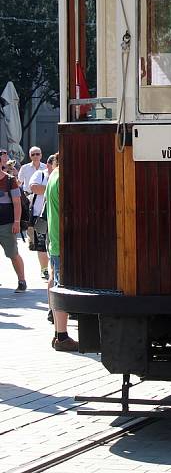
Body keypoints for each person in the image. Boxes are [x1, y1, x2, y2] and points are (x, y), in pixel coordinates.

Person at [46, 153, 78, 352]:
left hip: (55, 240)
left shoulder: (53, 177)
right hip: (61, 240)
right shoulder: (61, 179)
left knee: (56, 283)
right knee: (61, 289)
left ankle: (59, 334)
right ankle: (61, 336)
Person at [18, 147, 47, 278]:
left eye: (38, 154)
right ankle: (32, 239)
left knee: (37, 226)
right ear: (30, 156)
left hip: (40, 201)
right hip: (28, 198)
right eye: (33, 154)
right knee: (30, 223)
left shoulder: (46, 167)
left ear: (41, 155)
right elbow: (20, 182)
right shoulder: (25, 168)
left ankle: (34, 240)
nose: (36, 156)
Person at [0, 161, 27, 293]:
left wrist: (16, 222)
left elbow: (17, 203)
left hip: (7, 224)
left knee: (13, 254)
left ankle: (22, 281)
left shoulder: (10, 180)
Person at [28, 155, 54, 282]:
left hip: (55, 216)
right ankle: (44, 269)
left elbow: (39, 189)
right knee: (41, 244)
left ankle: (54, 269)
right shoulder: (41, 174)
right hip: (40, 216)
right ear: (49, 165)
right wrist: (51, 189)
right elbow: (33, 187)